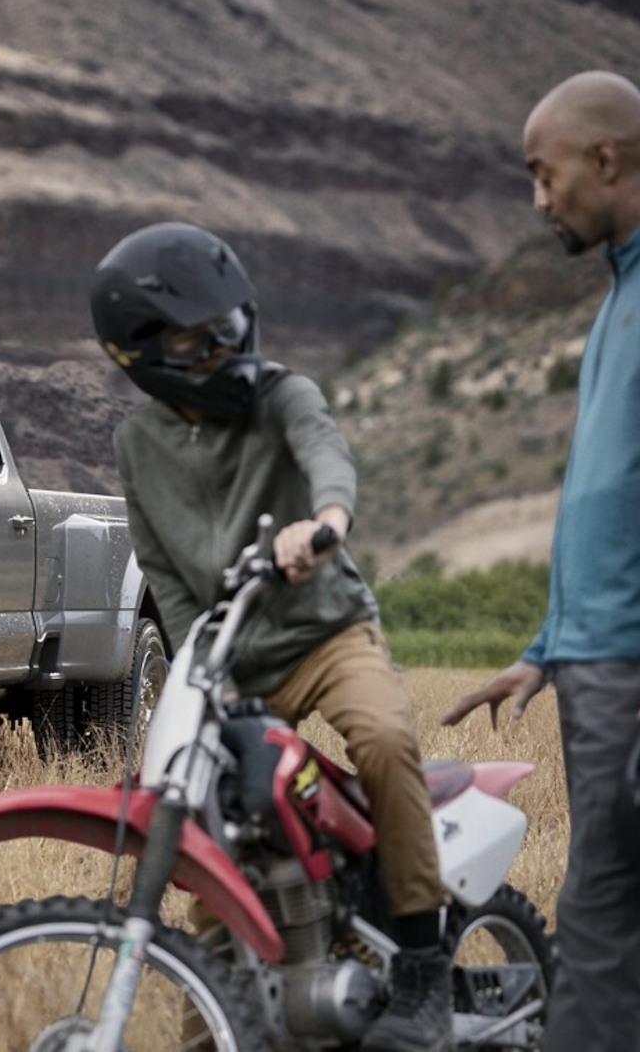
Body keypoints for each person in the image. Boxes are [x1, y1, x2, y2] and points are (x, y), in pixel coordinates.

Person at [92, 222, 449, 1052]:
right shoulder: (136, 445)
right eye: (199, 339)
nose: (226, 347)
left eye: (230, 328)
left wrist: (324, 523)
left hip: (326, 635)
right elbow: (168, 578)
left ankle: (425, 964)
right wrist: (200, 675)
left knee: (386, 738)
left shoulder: (285, 392)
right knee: (212, 833)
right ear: (145, 353)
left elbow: (326, 453)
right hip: (231, 665)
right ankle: (210, 1029)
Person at [441, 69, 640, 1052]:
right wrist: (546, 646)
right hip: (598, 669)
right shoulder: (620, 295)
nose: (538, 198)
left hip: (631, 684)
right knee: (605, 915)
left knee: (601, 922)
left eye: (543, 172)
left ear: (606, 158)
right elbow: (613, 509)